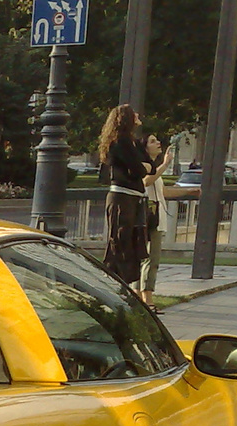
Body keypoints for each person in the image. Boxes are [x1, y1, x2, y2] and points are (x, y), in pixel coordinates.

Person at [98, 104, 151, 287]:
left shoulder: (133, 141)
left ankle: (120, 284)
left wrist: (143, 166)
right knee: (120, 243)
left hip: (133, 198)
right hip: (122, 198)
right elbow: (140, 169)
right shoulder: (120, 142)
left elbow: (149, 163)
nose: (138, 115)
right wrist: (142, 167)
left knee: (131, 242)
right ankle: (114, 283)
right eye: (134, 114)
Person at [139, 132, 174, 305]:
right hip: (151, 217)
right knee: (151, 259)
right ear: (145, 148)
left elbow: (163, 192)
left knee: (151, 258)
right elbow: (146, 181)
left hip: (157, 217)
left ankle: (141, 297)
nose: (158, 142)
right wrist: (166, 164)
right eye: (153, 141)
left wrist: (190, 192)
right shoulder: (145, 166)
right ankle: (147, 300)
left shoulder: (154, 167)